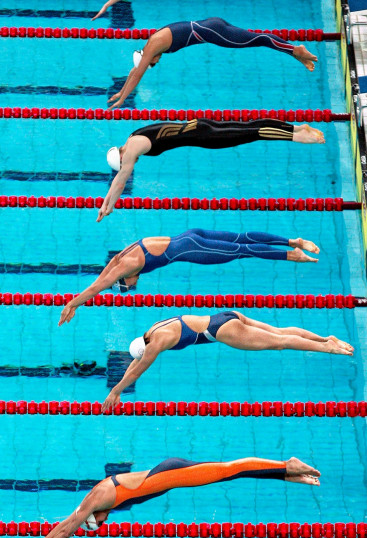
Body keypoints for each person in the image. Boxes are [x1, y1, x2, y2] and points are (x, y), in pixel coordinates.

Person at [19, 456, 320, 538]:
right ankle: (286, 474)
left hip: (170, 475)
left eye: (96, 524)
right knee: (230, 473)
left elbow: (66, 527)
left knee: (230, 470)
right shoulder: (102, 506)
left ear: (90, 518)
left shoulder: (95, 500)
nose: (103, 521)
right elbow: (69, 524)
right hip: (169, 473)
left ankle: (287, 466)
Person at [58, 229, 320, 324]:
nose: (133, 287)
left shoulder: (127, 266)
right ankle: (292, 240)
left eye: (127, 288)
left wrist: (72, 304)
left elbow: (98, 287)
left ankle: (292, 254)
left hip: (190, 248)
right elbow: (102, 277)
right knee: (240, 240)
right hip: (187, 236)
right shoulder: (120, 260)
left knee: (243, 251)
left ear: (124, 278)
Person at [102, 312, 354, 410]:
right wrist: (118, 387)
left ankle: (328, 348)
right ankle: (324, 338)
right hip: (226, 315)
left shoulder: (156, 345)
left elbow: (139, 369)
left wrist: (115, 391)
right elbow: (137, 362)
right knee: (278, 331)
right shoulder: (154, 328)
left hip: (221, 331)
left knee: (280, 343)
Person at [98, 118, 325, 222]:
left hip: (204, 136)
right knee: (248, 127)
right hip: (199, 125)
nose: (131, 164)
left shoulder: (131, 150)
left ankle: (296, 136)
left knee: (250, 133)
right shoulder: (132, 136)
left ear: (120, 157)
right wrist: (105, 202)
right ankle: (296, 128)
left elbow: (120, 181)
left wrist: (108, 206)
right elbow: (120, 177)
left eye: (126, 164)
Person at [106, 17, 318, 109]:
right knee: (255, 39)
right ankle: (295, 54)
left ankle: (295, 50)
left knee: (258, 39)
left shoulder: (152, 47)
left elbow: (137, 74)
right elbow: (135, 72)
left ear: (147, 58)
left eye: (153, 64)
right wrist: (120, 92)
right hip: (212, 24)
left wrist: (122, 98)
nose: (156, 62)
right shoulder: (153, 43)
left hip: (214, 32)